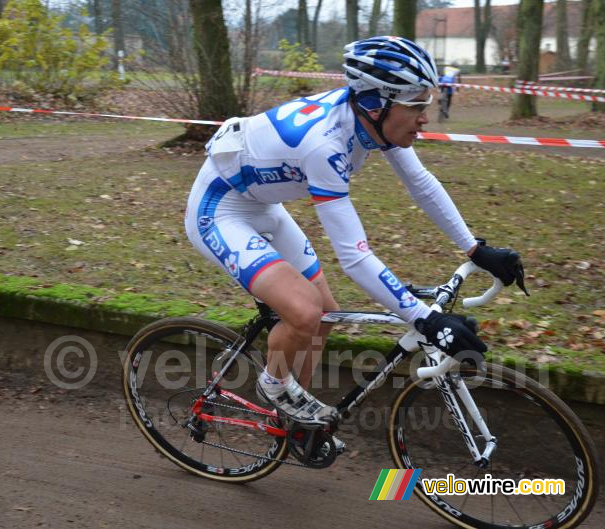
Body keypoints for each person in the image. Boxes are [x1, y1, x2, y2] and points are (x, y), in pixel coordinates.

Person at [184, 36, 524, 451]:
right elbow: (354, 256)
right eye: (416, 106)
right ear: (377, 104)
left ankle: (294, 428)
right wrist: (426, 320)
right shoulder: (325, 146)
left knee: (325, 315)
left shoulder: (369, 121)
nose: (425, 117)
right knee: (304, 311)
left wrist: (475, 248)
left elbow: (420, 184)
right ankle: (275, 386)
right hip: (220, 210)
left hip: (263, 204)